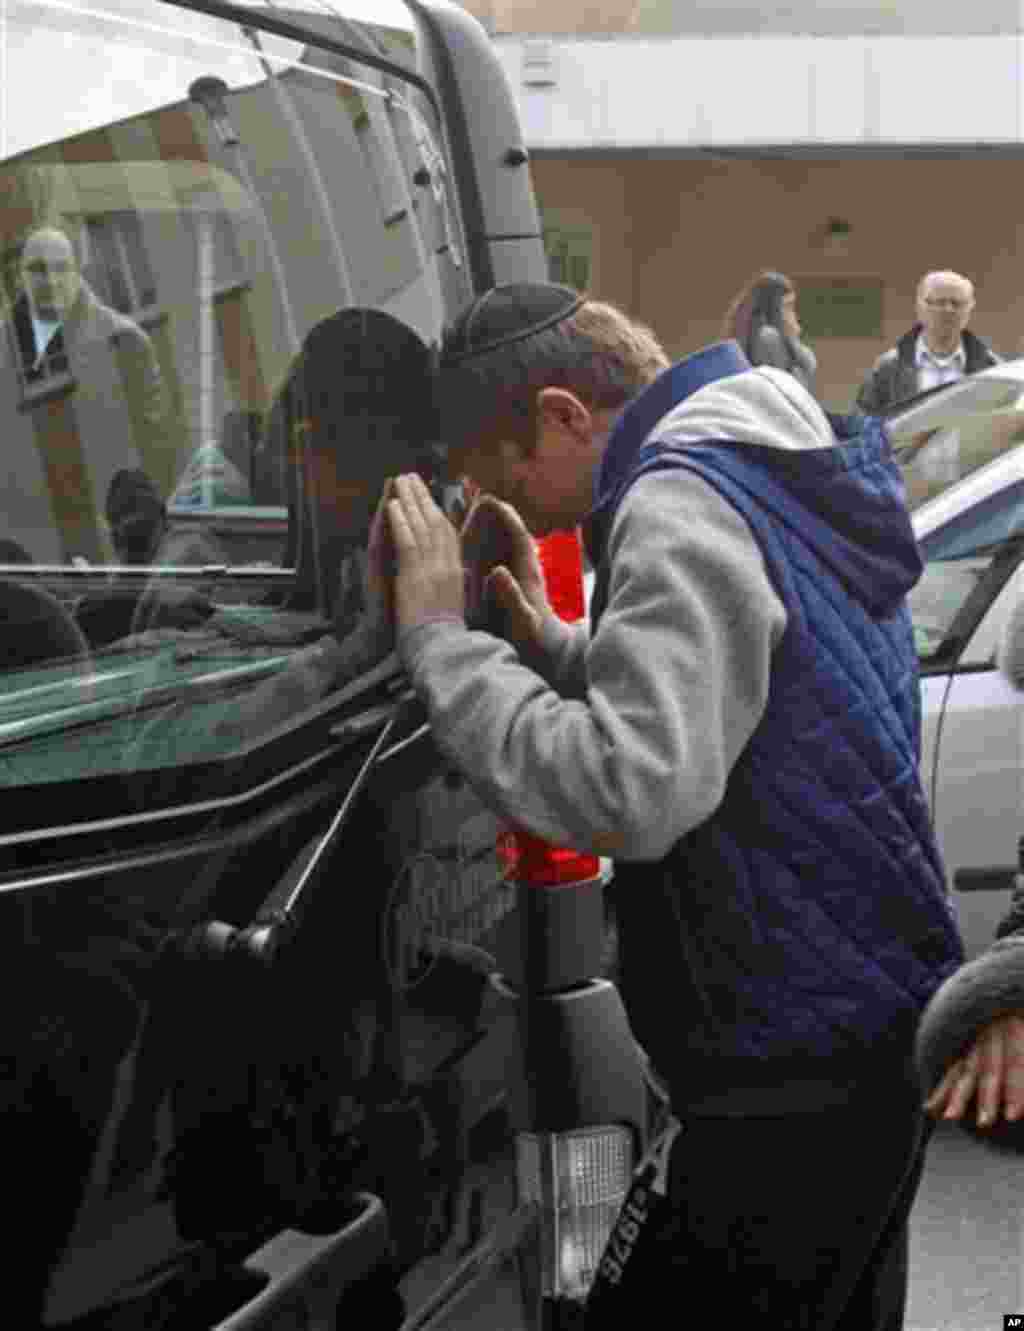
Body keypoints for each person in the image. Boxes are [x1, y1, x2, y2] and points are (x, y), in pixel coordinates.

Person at [379, 282, 965, 1329]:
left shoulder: (678, 501)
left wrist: (439, 642)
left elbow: (632, 787)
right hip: (864, 1032)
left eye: (505, 470)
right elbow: (747, 698)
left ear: (565, 413)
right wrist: (557, 644)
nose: (519, 503)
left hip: (786, 1071)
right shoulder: (768, 455)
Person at [1, 225, 166, 438]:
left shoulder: (123, 333)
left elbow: (149, 405)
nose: (49, 279)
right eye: (35, 270)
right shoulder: (13, 331)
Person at [855, 270, 1000, 415]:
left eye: (957, 303)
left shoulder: (991, 368)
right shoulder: (888, 368)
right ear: (919, 307)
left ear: (969, 310)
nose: (948, 310)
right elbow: (862, 425)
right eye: (940, 302)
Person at [723, 269, 817, 393]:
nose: (793, 314)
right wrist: (792, 338)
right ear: (773, 307)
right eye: (788, 306)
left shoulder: (755, 334)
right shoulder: (768, 337)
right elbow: (790, 387)